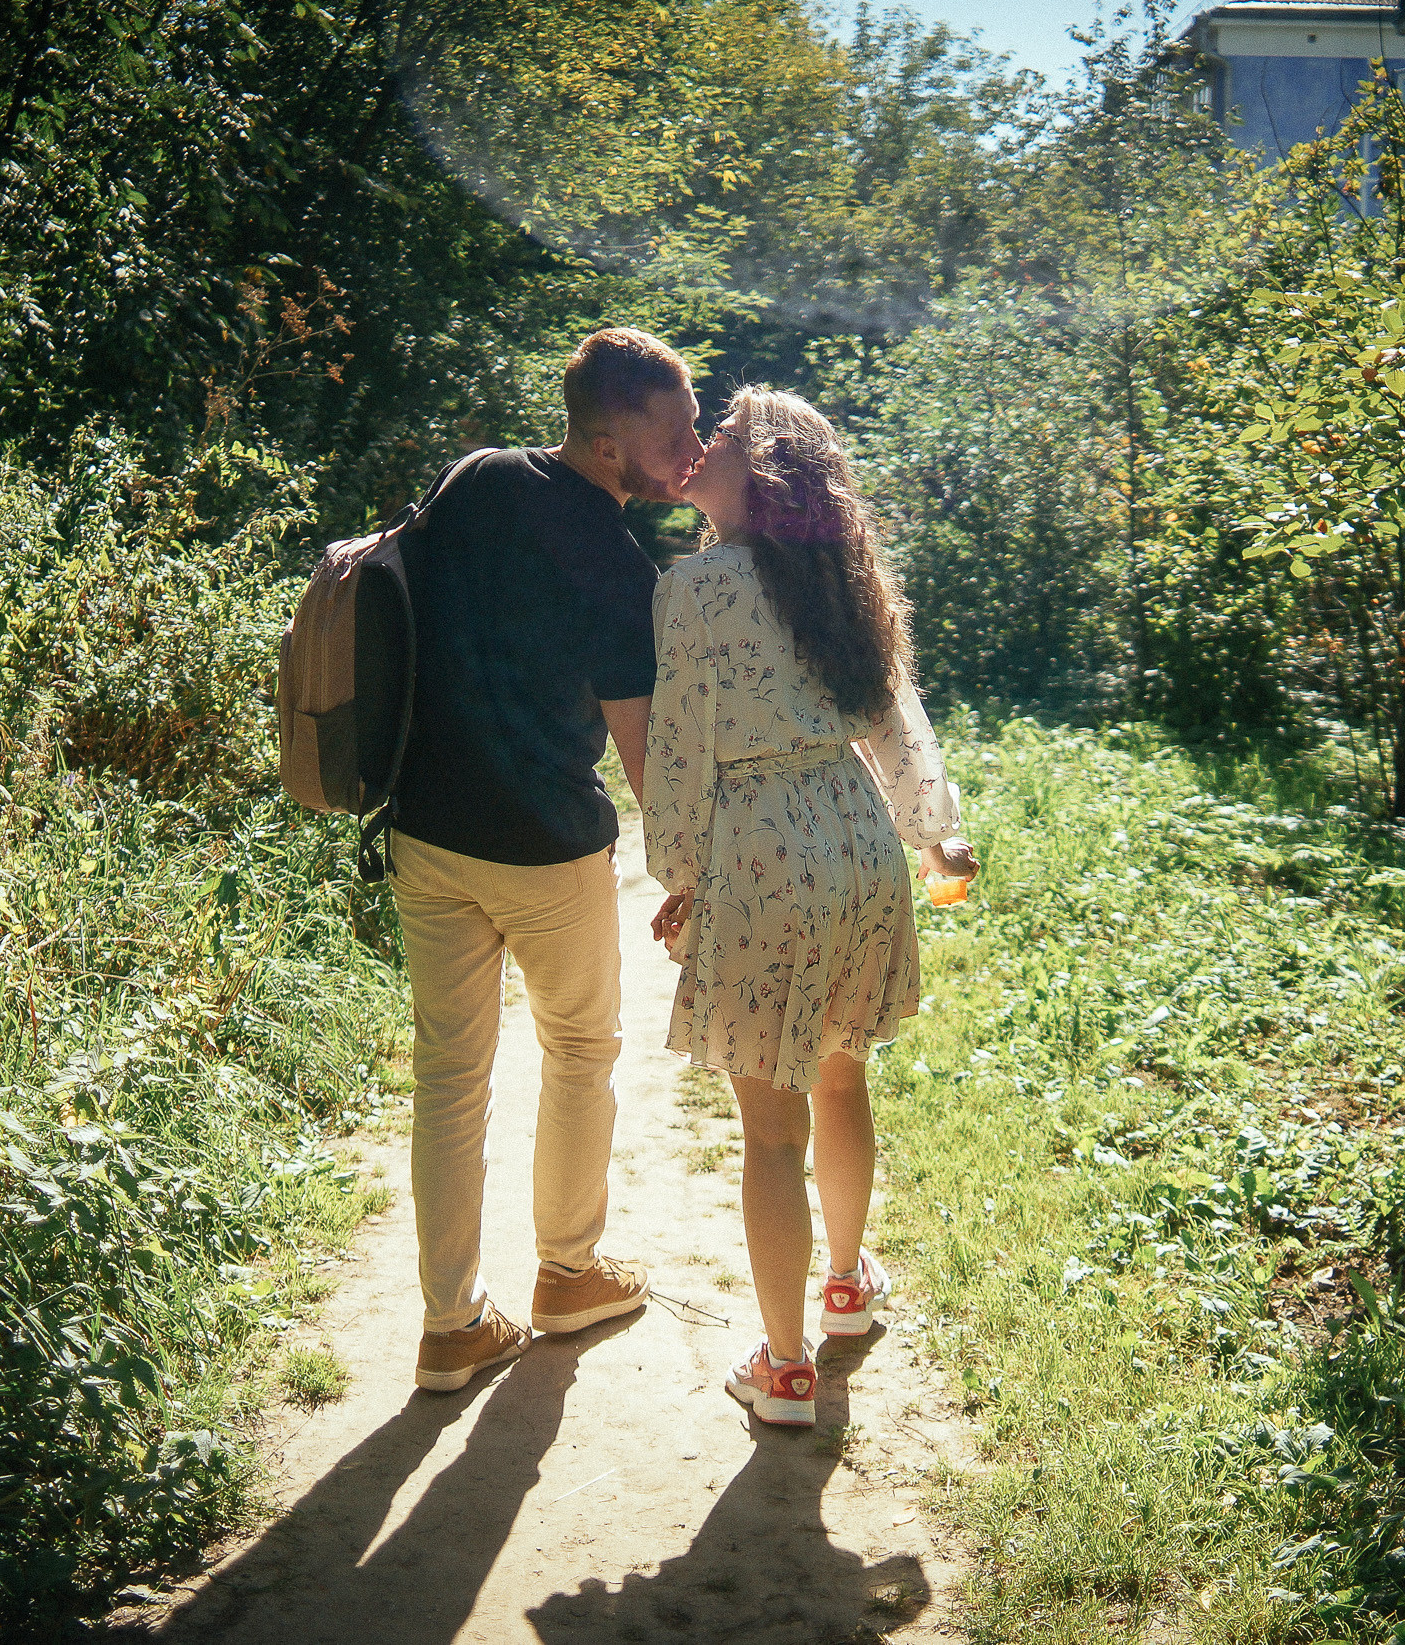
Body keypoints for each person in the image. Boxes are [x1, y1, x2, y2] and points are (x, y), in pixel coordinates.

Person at [641, 386, 978, 1427]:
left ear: (767, 473)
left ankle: (784, 1368)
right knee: (839, 1078)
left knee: (770, 1133)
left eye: (725, 437)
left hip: (758, 847)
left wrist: (682, 876)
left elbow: (680, 750)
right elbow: (893, 717)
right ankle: (843, 1289)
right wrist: (934, 833)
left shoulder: (693, 588)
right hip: (855, 836)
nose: (701, 447)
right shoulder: (839, 586)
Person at [390, 326, 705, 1392]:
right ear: (613, 439)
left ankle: (449, 1327)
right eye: (676, 427)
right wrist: (688, 875)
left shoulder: (473, 479)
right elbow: (638, 743)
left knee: (449, 1076)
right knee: (577, 1053)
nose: (693, 445)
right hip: (544, 847)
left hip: (425, 828)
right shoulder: (618, 565)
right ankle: (567, 1275)